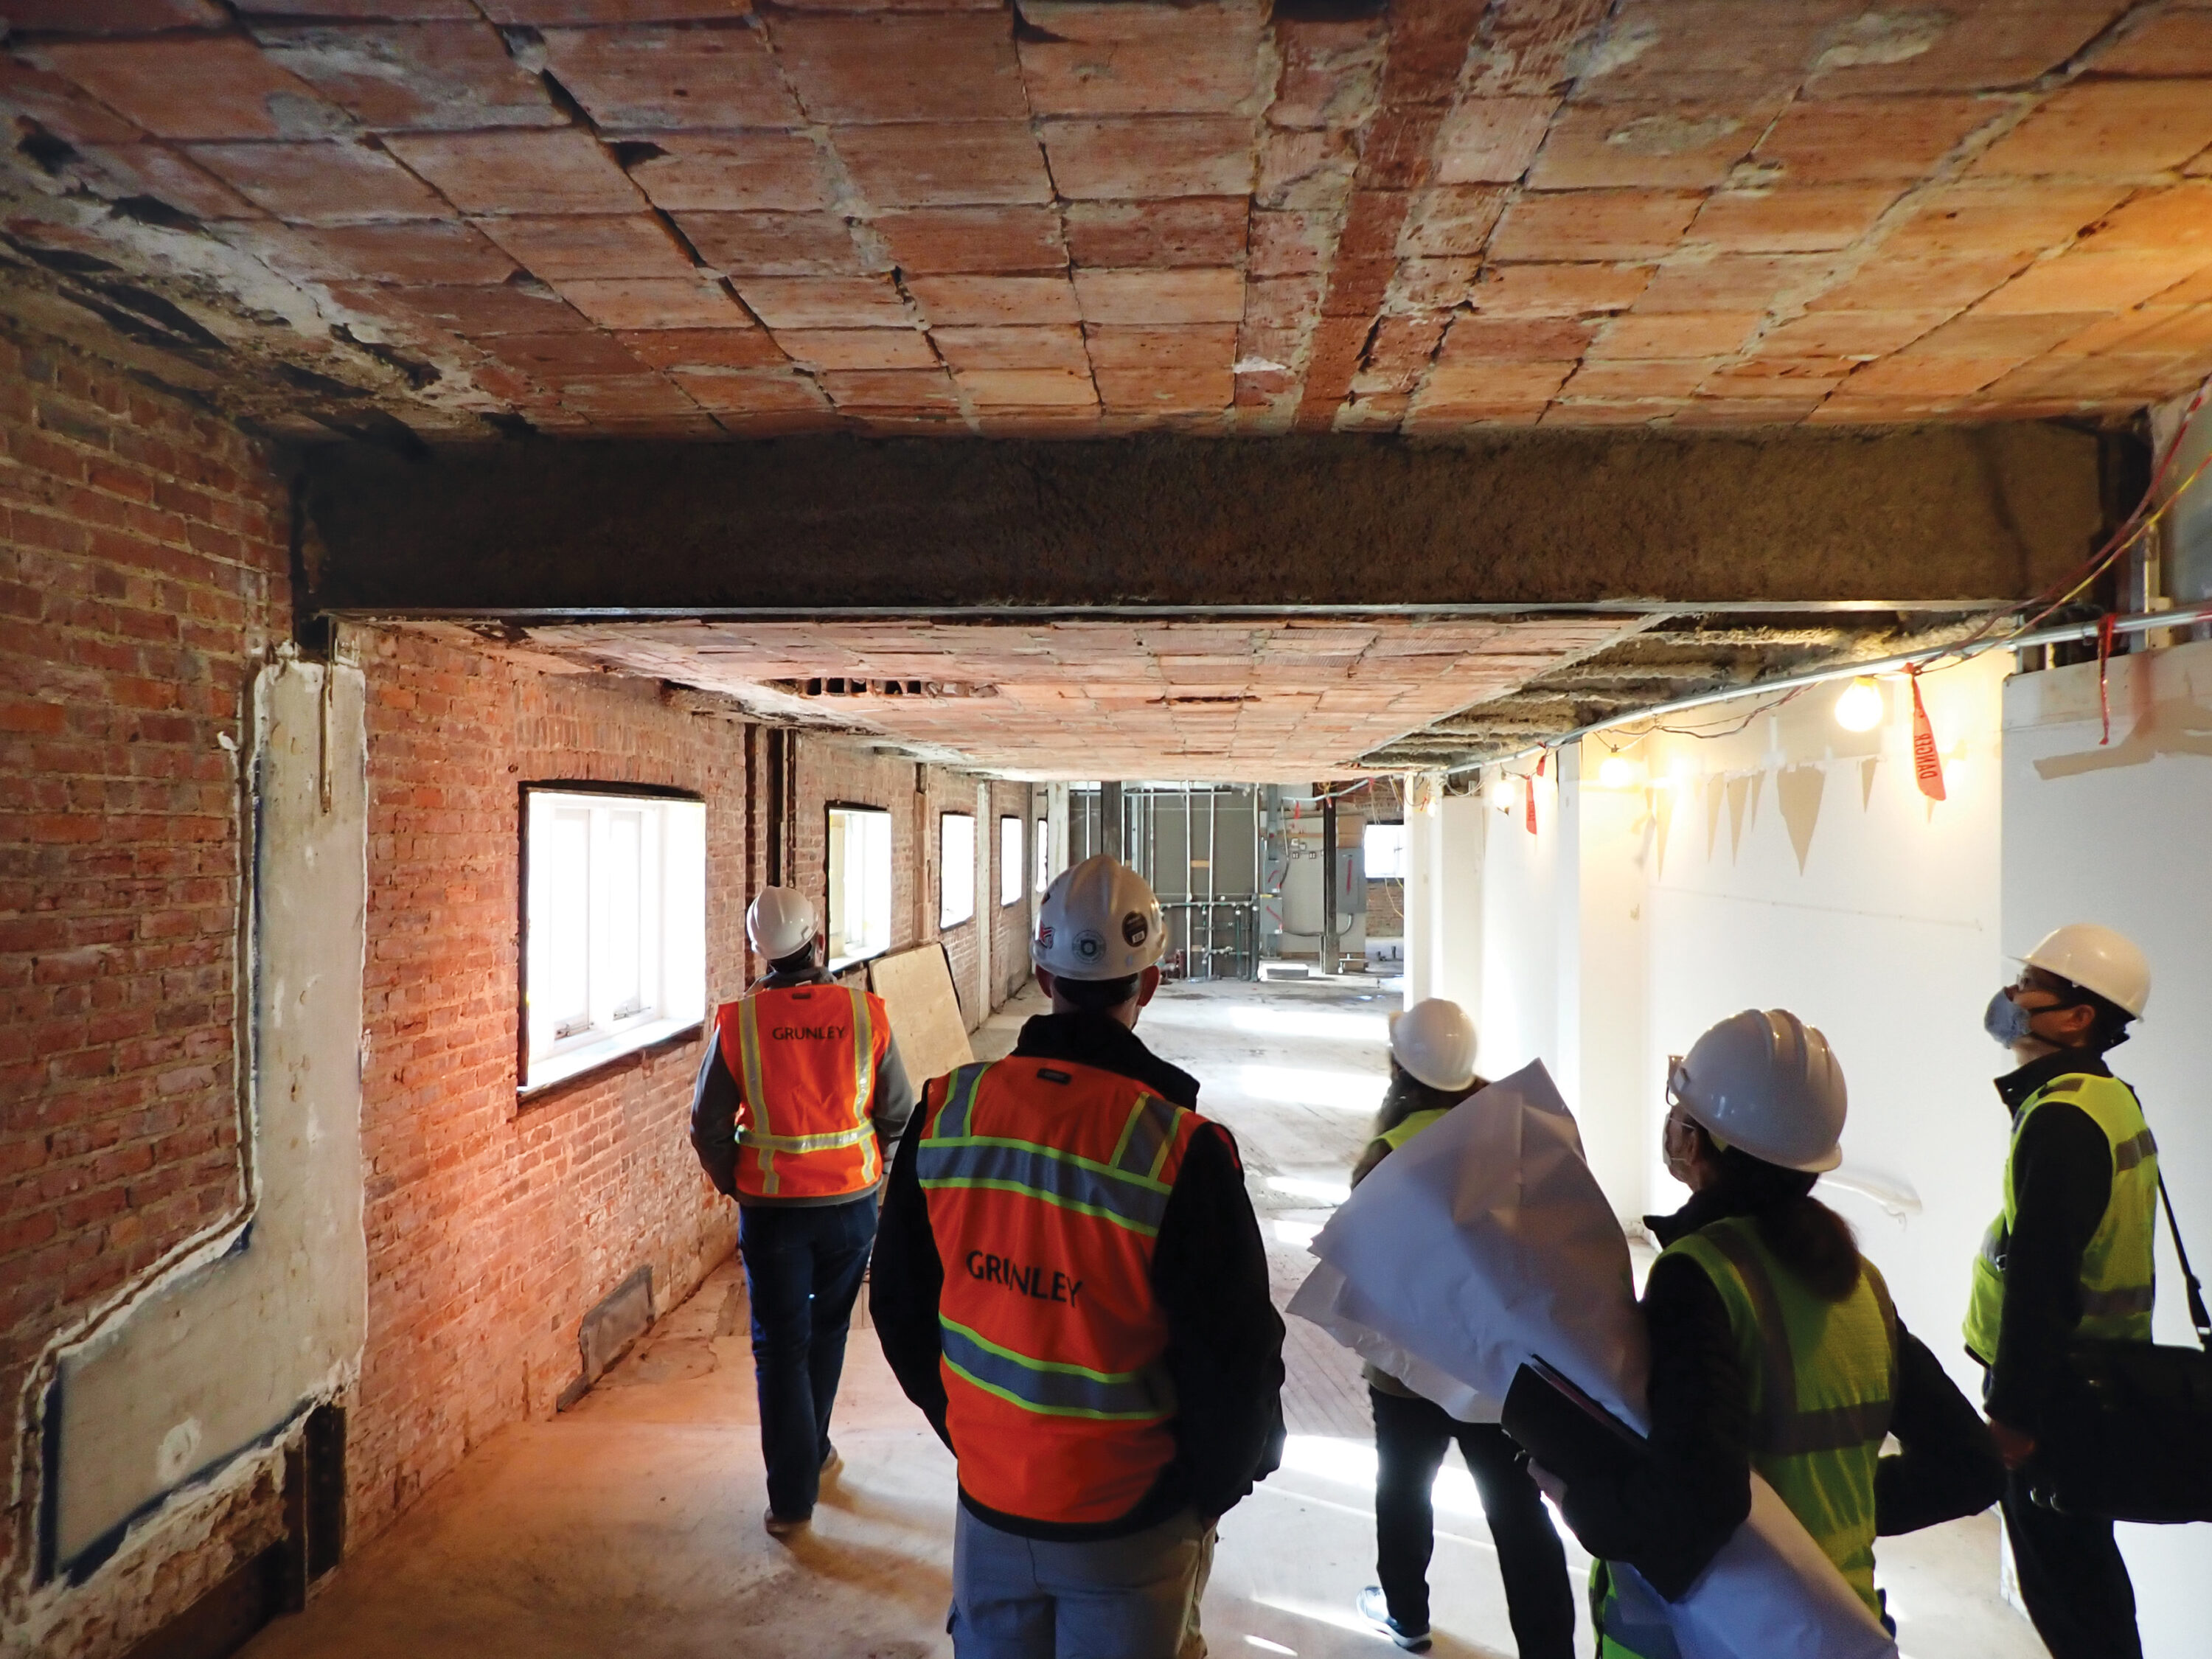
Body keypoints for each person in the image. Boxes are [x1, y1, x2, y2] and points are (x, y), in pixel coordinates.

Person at [872, 855, 1286, 1659]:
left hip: (990, 1509)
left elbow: (898, 1307)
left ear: (1040, 972)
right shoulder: (1181, 1149)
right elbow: (1234, 1362)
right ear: (1152, 984)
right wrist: (1203, 1496)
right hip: (1131, 1528)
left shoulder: (948, 1113)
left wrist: (976, 1435)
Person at [1535, 1009, 2003, 1657]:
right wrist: (1840, 1515)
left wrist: (1578, 1498)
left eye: (1683, 1114)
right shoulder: (1860, 1281)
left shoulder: (1698, 1277)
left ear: (1699, 1144)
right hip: (1840, 1625)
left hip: (1710, 1634)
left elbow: (1699, 1501)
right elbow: (1974, 1468)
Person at [1350, 998, 1575, 1658]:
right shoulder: (1507, 1140)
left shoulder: (1386, 1154)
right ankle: (1547, 1648)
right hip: (1493, 1370)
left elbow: (1364, 1267)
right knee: (1516, 1509)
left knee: (1403, 1490)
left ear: (1400, 1066)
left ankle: (1407, 1617)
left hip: (1406, 1370)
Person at [689, 886, 916, 1537]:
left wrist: (735, 1180)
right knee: (830, 1331)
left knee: (779, 1347)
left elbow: (706, 1124)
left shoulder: (740, 1023)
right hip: (851, 1206)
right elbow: (898, 1113)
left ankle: (791, 1500)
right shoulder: (866, 1013)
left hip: (774, 1213)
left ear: (759, 952)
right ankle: (812, 1450)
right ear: (818, 940)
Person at [1965, 924, 2157, 1659]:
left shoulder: (2064, 1117)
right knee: (2087, 1585)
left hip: (2055, 1400)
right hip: (2090, 1386)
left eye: (2030, 985)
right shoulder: (2104, 1098)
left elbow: (2042, 1281)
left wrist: (2012, 1414)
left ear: (2079, 1016)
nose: (2012, 997)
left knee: (2071, 1598)